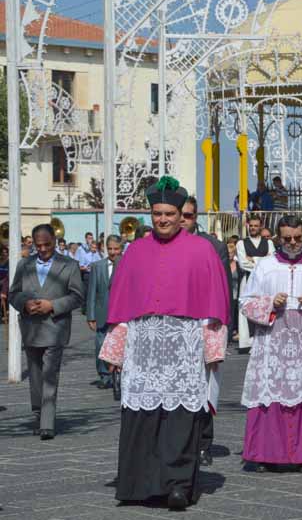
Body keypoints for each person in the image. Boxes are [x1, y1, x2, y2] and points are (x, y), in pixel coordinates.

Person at [98, 176, 229, 509]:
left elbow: (215, 305)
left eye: (170, 214)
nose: (163, 220)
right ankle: (140, 484)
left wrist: (213, 348)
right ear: (151, 213)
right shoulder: (134, 252)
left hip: (184, 347)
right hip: (143, 349)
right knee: (143, 415)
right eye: (157, 214)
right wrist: (115, 350)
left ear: (180, 213)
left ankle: (177, 486)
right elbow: (121, 308)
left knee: (181, 418)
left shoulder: (203, 250)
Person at [238, 215, 302, 473]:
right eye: (287, 239)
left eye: (297, 238)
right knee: (269, 392)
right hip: (272, 341)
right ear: (277, 237)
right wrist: (271, 303)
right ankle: (265, 453)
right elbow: (246, 302)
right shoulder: (265, 267)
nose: (293, 243)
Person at [8, 223, 84, 440]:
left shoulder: (69, 265)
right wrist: (25, 303)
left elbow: (78, 295)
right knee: (34, 374)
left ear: (55, 242)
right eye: (38, 245)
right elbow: (14, 293)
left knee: (50, 373)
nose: (42, 249)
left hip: (55, 327)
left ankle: (47, 423)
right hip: (31, 327)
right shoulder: (24, 264)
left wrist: (53, 305)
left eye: (47, 245)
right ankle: (38, 414)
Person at [181, 196, 233, 466]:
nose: (182, 221)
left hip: (205, 325)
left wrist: (226, 330)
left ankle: (203, 444)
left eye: (188, 216)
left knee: (205, 387)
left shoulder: (214, 246)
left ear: (195, 216)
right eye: (180, 215)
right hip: (177, 328)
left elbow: (225, 291)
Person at [86, 235, 123, 389]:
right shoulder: (97, 266)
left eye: (116, 249)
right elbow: (92, 292)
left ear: (122, 249)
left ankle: (120, 375)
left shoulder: (127, 264)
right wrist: (91, 315)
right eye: (110, 249)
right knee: (100, 345)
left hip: (121, 314)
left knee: (120, 346)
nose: (113, 252)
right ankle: (104, 375)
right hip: (102, 313)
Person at [236, 215, 275, 351]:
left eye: (255, 225)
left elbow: (271, 263)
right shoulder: (241, 243)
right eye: (251, 225)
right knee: (247, 309)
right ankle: (248, 342)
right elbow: (243, 264)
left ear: (260, 226)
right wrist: (262, 260)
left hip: (264, 282)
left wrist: (253, 259)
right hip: (248, 281)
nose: (253, 228)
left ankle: (263, 340)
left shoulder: (268, 243)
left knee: (264, 308)